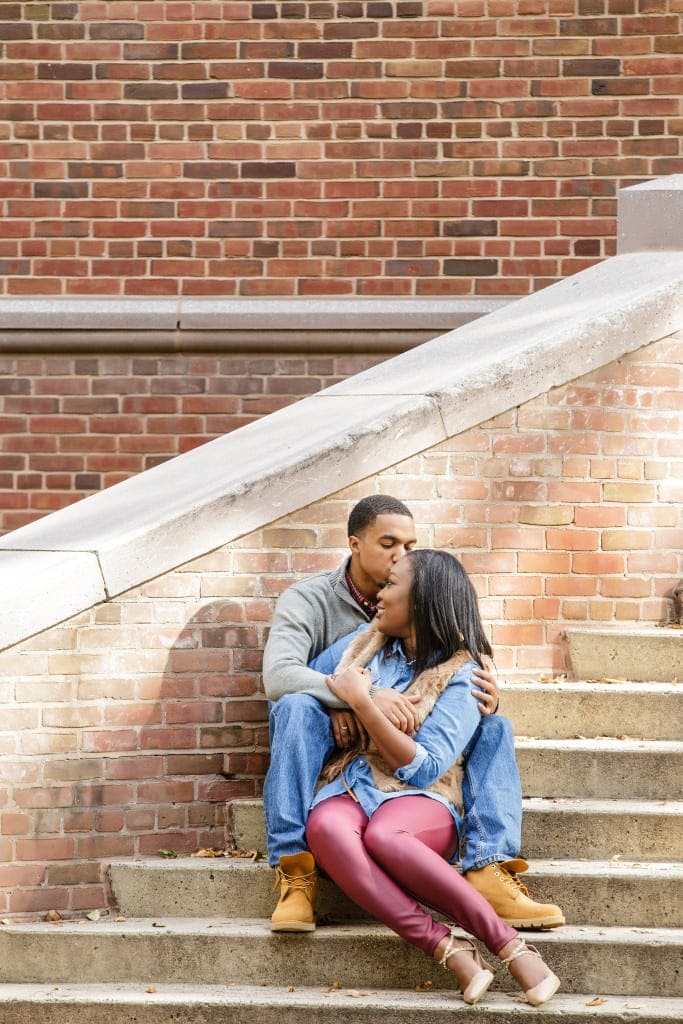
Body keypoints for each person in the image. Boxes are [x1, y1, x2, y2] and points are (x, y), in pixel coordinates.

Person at [263, 494, 564, 933]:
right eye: (388, 544)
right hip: (332, 731)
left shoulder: (428, 609)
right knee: (293, 705)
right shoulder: (311, 602)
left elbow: (454, 673)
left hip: (403, 744)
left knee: (494, 724)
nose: (400, 556)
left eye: (409, 547)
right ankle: (294, 869)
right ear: (354, 544)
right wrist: (348, 701)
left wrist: (479, 701)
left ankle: (489, 862)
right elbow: (280, 678)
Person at [305, 550, 561, 1007]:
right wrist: (332, 697)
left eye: (390, 585)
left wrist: (361, 703)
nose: (378, 595)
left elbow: (425, 767)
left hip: (423, 797)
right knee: (323, 826)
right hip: (355, 781)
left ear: (423, 599)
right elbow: (290, 676)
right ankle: (447, 945)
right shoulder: (362, 646)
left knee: (386, 836)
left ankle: (509, 945)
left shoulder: (464, 674)